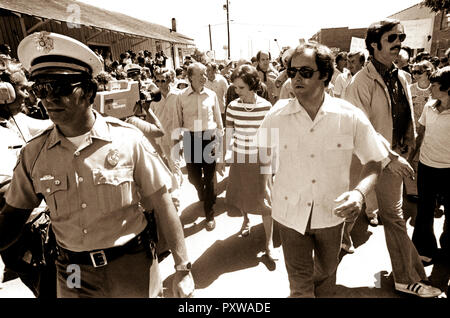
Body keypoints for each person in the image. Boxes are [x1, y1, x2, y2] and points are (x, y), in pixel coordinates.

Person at [0, 32, 194, 298]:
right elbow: (10, 220)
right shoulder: (33, 154)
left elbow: (163, 204)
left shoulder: (129, 140)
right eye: (40, 89)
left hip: (130, 265)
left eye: (60, 89)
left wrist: (183, 269)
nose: (49, 99)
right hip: (72, 271)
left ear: (88, 92)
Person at [256, 41, 388, 297]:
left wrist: (359, 194)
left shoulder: (349, 116)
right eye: (292, 71)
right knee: (299, 284)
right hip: (289, 212)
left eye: (305, 72)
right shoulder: (277, 114)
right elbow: (264, 150)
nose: (296, 78)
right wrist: (265, 183)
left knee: (327, 276)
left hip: (332, 212)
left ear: (325, 75)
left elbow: (374, 161)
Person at [345, 19, 442, 298]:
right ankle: (317, 275)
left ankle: (405, 272)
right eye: (392, 39)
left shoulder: (401, 75)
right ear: (374, 46)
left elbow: (405, 112)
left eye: (401, 37)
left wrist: (409, 142)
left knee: (392, 217)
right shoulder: (358, 83)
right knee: (357, 213)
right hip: (369, 160)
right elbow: (361, 130)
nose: (399, 42)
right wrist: (390, 157)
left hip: (393, 159)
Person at [224, 64, 275, 261]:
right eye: (235, 87)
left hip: (261, 160)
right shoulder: (232, 107)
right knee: (243, 196)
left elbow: (270, 137)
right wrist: (221, 158)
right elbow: (228, 133)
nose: (237, 92)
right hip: (240, 158)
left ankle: (269, 242)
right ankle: (246, 220)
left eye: (241, 88)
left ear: (253, 85)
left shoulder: (266, 107)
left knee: (266, 202)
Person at [408, 66, 450, 270]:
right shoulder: (428, 107)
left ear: (448, 88)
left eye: (434, 85)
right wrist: (410, 157)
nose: (430, 89)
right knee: (424, 210)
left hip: (448, 170)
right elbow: (421, 133)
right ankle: (424, 249)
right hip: (427, 166)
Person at [174, 62, 224, 231]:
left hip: (209, 140)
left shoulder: (211, 95)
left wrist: (220, 141)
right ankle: (203, 192)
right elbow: (177, 122)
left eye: (205, 73)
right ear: (190, 78)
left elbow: (218, 120)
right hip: (191, 141)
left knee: (209, 179)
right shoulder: (180, 97)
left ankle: (209, 214)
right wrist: (177, 145)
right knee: (193, 178)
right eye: (201, 74)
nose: (205, 77)